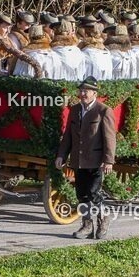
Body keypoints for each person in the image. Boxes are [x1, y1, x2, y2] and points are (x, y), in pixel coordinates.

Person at [55, 76, 116, 240]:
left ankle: (104, 219)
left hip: (96, 161)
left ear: (95, 93)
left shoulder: (103, 111)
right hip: (78, 160)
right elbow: (68, 135)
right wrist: (62, 155)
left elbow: (110, 137)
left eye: (86, 91)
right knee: (81, 195)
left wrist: (108, 160)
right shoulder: (75, 110)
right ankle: (87, 225)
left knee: (93, 193)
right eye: (81, 91)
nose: (82, 94)